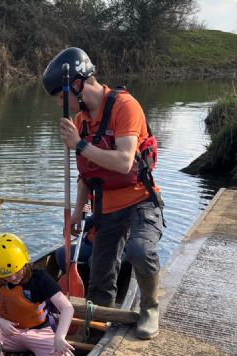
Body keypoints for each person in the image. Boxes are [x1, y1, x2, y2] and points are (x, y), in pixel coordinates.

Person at [43, 47, 164, 339]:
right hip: (106, 207)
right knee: (99, 279)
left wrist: (78, 144)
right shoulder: (81, 122)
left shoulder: (125, 106)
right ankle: (97, 331)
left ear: (76, 84)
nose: (60, 103)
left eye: (60, 96)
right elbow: (86, 176)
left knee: (139, 250)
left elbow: (124, 162)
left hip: (140, 200)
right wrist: (76, 213)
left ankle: (149, 307)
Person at [0, 233, 74, 356]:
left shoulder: (40, 278)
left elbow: (67, 308)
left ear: (24, 262)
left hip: (39, 331)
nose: (13, 278)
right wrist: (0, 321)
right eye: (6, 275)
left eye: (16, 271)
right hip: (9, 332)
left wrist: (60, 337)